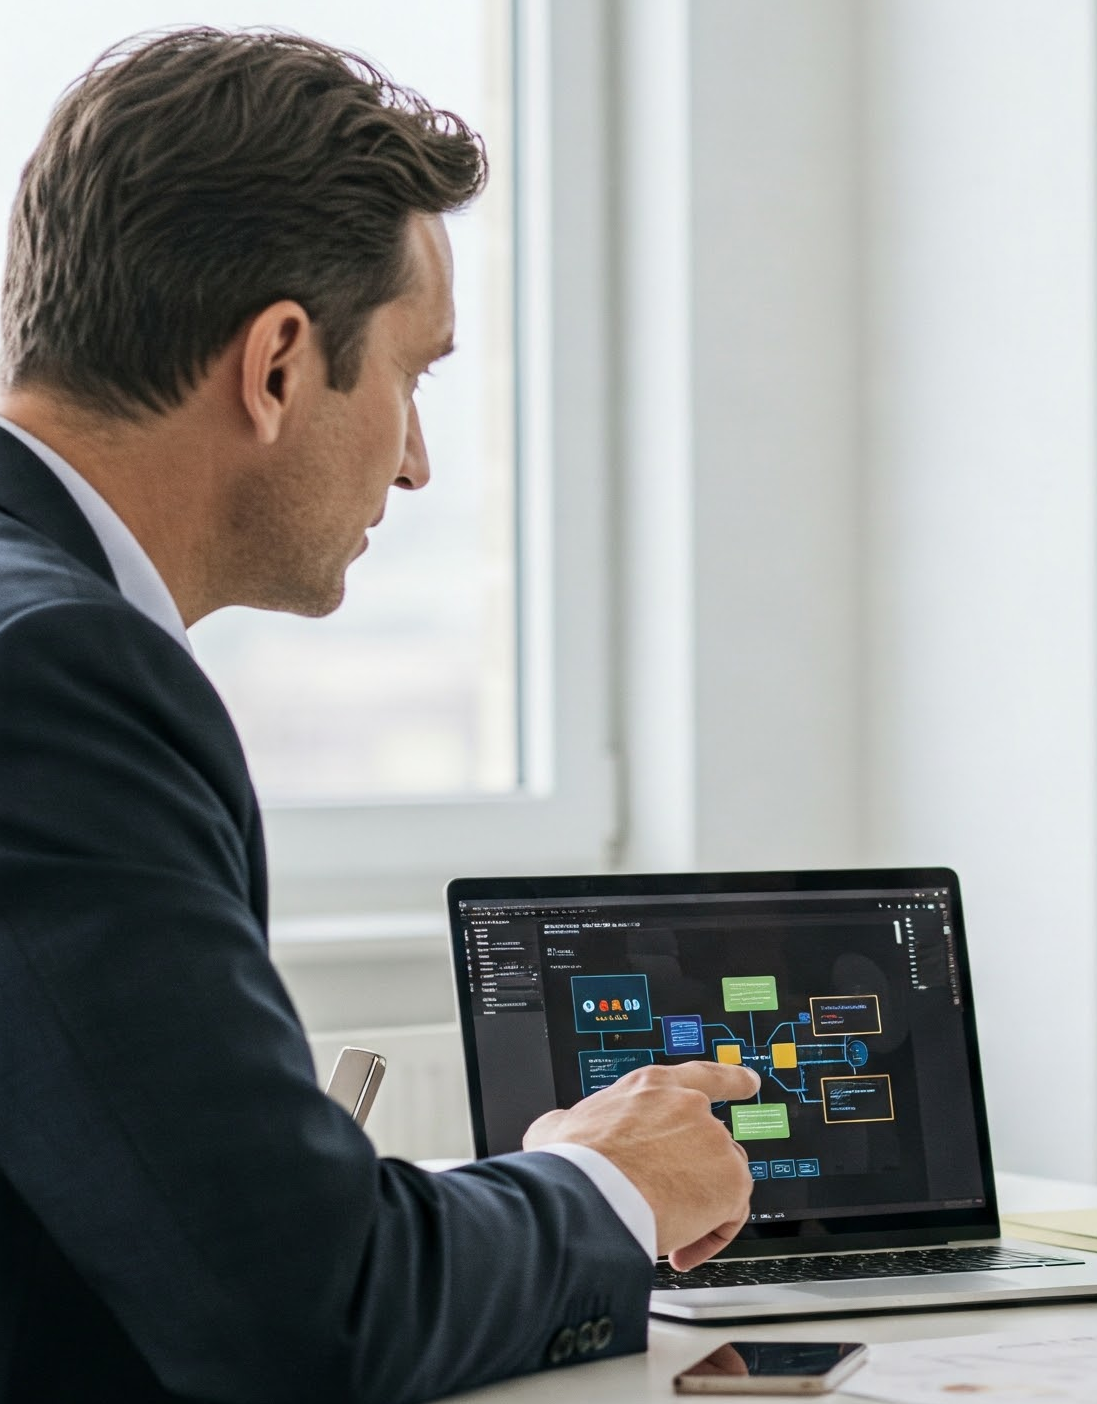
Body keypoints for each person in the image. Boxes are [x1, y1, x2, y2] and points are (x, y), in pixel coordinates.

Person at [0, 30, 761, 1402]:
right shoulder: (56, 676)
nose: (415, 463)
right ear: (281, 363)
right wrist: (606, 1185)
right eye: (415, 376)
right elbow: (306, 1314)